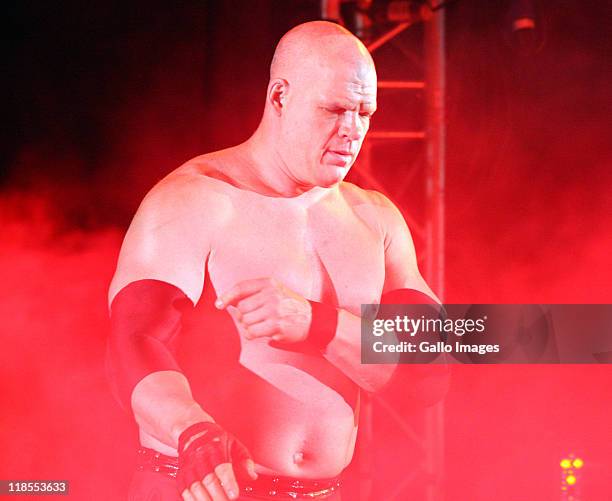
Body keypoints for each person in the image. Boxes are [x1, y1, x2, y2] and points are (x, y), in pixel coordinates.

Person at [107, 20, 438, 501]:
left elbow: (428, 372)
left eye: (365, 113)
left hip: (324, 493)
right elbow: (132, 342)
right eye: (334, 110)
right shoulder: (197, 199)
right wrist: (194, 432)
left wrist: (317, 323)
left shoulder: (375, 219)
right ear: (279, 97)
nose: (352, 131)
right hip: (198, 488)